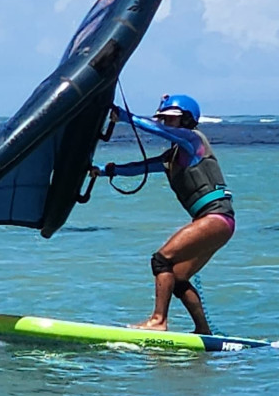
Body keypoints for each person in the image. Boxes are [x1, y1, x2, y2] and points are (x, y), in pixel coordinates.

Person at [90, 94, 235, 333]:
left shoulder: (193, 141)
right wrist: (104, 171)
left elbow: (158, 131)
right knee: (177, 277)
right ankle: (203, 331)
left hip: (215, 218)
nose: (167, 123)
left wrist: (124, 117)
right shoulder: (173, 157)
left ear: (186, 120)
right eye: (164, 119)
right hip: (218, 223)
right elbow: (141, 168)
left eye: (171, 119)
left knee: (161, 260)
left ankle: (158, 321)